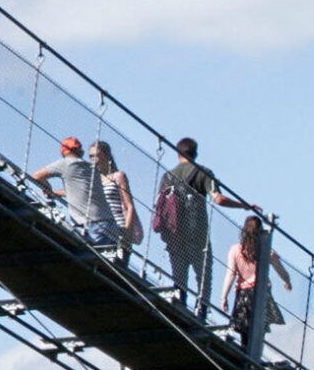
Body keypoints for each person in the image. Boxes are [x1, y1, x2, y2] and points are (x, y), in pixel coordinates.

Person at [153, 137, 255, 317]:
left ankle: (179, 302)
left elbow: (160, 206)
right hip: (197, 233)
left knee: (179, 274)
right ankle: (202, 309)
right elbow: (218, 199)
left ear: (178, 154)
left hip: (174, 234)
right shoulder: (203, 173)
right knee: (203, 276)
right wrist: (244, 206)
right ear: (196, 153)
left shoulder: (167, 177)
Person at [30, 137, 118, 250]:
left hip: (92, 225)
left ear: (63, 152)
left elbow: (36, 176)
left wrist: (48, 189)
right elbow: (80, 191)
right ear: (80, 151)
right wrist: (54, 193)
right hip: (109, 224)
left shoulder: (66, 163)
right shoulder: (92, 169)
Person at [219, 214, 289, 348]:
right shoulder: (266, 250)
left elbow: (231, 273)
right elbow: (281, 270)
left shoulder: (235, 250)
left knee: (245, 331)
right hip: (261, 292)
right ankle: (254, 357)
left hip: (243, 294)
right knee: (259, 331)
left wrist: (224, 296)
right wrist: (287, 281)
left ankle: (246, 354)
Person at [89, 141, 140, 264]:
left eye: (96, 155)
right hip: (99, 230)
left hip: (118, 230)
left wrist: (126, 232)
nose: (93, 159)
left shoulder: (118, 176)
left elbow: (129, 205)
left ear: (106, 156)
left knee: (118, 268)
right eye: (91, 156)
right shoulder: (93, 180)